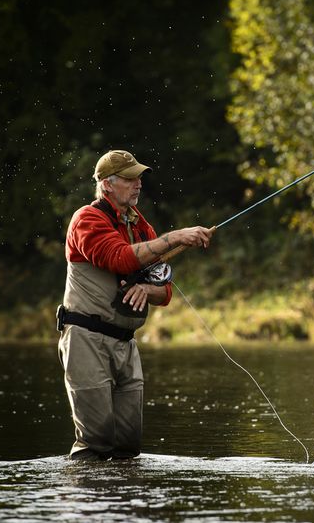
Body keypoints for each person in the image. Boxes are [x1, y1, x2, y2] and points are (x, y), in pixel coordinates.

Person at [57, 149, 214, 460]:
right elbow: (119, 257)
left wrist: (146, 287)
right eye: (130, 178)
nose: (138, 183)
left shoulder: (140, 226)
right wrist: (177, 237)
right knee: (96, 442)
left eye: (140, 177)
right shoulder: (86, 219)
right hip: (86, 339)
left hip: (125, 345)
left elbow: (164, 293)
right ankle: (90, 506)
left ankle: (125, 507)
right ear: (106, 184)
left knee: (129, 445)